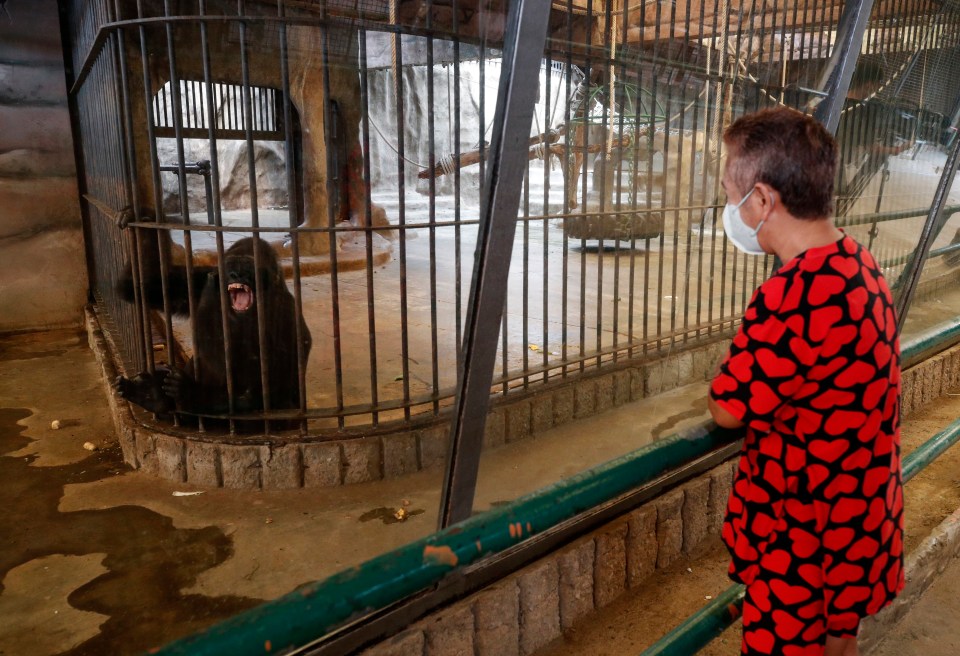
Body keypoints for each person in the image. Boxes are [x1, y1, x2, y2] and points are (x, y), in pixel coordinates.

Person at [708, 107, 904, 656]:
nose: (730, 208)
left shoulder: (793, 294)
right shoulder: (860, 266)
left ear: (764, 200)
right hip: (855, 525)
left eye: (731, 193)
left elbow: (727, 405)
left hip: (802, 545)